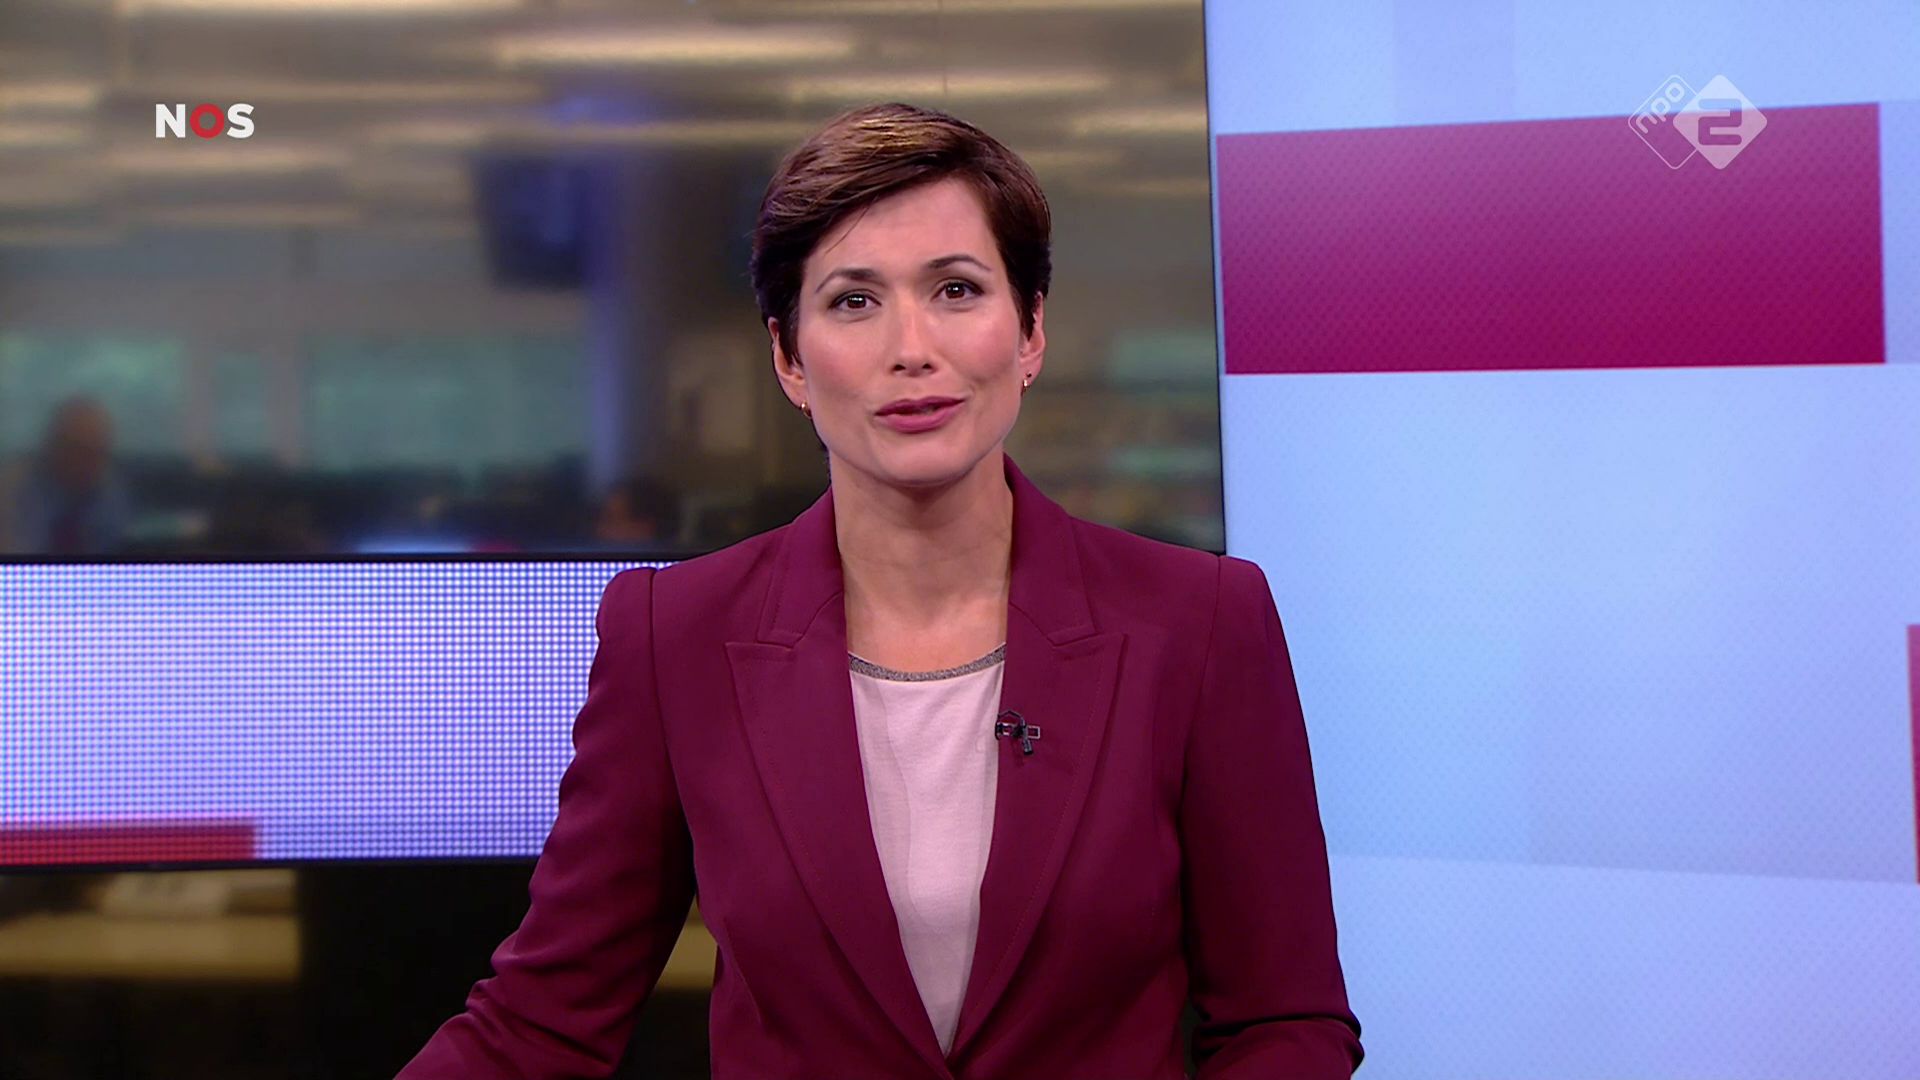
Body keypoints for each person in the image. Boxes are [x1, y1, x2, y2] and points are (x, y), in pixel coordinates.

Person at [399, 102, 1360, 1079]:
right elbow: (541, 1025)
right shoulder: (675, 634)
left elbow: (1285, 1022)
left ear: (1030, 331)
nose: (912, 346)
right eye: (854, 301)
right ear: (789, 358)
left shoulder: (1199, 622)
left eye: (957, 289)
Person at [0, 396, 133, 556]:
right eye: (78, 448)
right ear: (53, 446)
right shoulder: (14, 487)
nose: (87, 462)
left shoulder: (110, 493)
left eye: (97, 451)